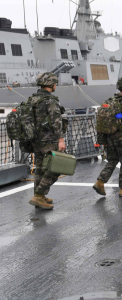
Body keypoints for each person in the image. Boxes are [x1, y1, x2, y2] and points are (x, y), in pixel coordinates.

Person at [28, 72, 67, 210]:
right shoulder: (50, 101)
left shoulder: (32, 99)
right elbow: (57, 122)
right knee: (57, 166)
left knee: (40, 167)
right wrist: (61, 140)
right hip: (49, 140)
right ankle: (39, 195)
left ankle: (39, 196)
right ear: (51, 84)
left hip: (35, 139)